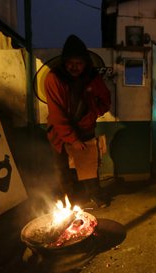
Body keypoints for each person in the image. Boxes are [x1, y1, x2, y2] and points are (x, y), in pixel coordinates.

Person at [44, 34, 111, 208]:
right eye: (70, 63)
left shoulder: (91, 77)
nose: (75, 67)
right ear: (64, 63)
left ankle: (95, 195)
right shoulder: (54, 78)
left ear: (85, 63)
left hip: (86, 129)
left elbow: (105, 100)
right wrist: (72, 139)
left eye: (79, 63)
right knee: (64, 170)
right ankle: (70, 202)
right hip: (60, 132)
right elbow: (57, 114)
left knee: (89, 167)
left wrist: (92, 114)